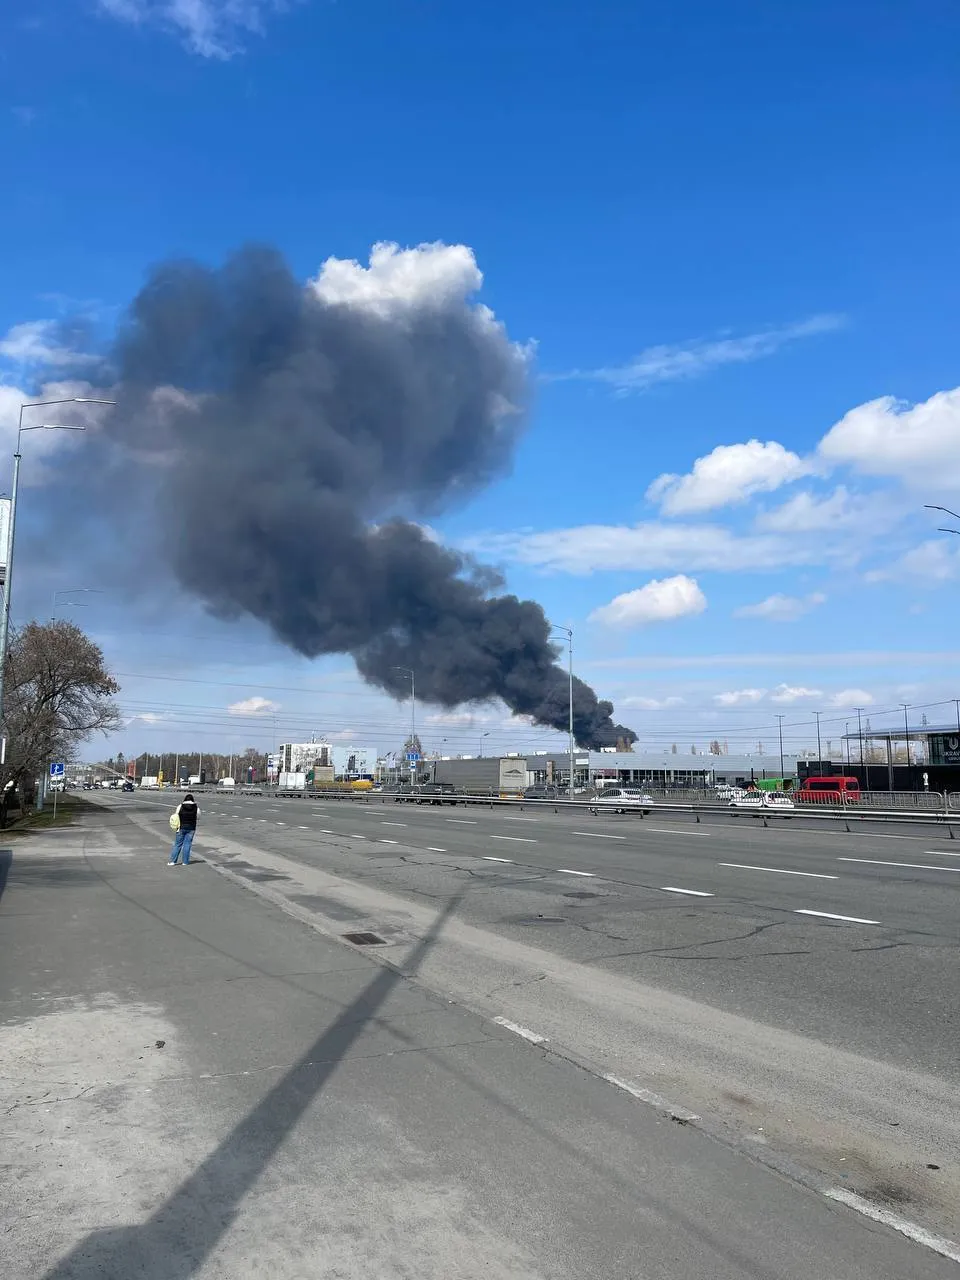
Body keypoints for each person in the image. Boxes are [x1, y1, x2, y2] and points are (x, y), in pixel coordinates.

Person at [168, 792, 200, 866]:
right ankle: (185, 862)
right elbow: (198, 817)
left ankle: (173, 861)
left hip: (181, 827)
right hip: (191, 828)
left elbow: (176, 815)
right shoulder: (196, 807)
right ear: (192, 800)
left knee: (177, 844)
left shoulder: (180, 806)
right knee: (187, 845)